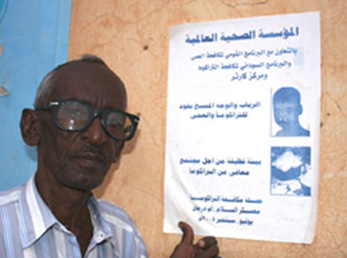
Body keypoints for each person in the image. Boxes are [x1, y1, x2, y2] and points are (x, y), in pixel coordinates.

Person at [0, 55, 219, 258]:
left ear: (119, 147)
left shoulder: (122, 232)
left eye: (113, 121)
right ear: (32, 128)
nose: (97, 136)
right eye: (75, 113)